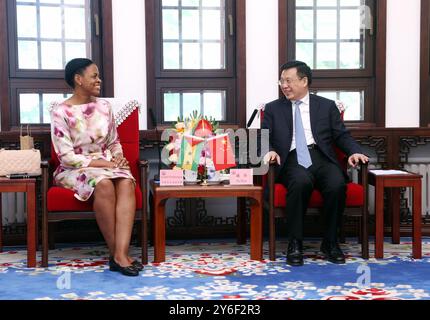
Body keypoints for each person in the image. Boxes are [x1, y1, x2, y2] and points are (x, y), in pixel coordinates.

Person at [262, 61, 369, 267]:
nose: (284, 85)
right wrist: (270, 151)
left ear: (304, 81)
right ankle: (295, 243)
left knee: (337, 184)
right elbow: (262, 139)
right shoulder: (273, 109)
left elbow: (341, 136)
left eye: (288, 81)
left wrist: (355, 151)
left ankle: (330, 242)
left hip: (321, 157)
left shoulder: (326, 106)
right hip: (292, 158)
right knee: (300, 182)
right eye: (282, 81)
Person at [50, 58, 142, 276]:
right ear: (78, 79)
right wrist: (103, 163)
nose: (99, 80)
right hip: (73, 169)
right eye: (94, 76)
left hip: (107, 163)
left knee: (127, 182)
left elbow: (113, 142)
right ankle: (119, 255)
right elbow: (66, 157)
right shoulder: (60, 112)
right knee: (103, 185)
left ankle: (119, 255)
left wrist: (118, 158)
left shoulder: (104, 107)